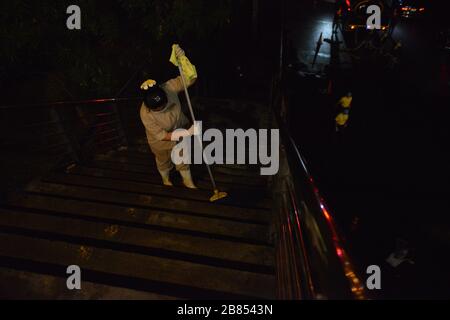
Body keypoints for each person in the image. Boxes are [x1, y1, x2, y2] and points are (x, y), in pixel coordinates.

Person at [139, 44, 197, 189]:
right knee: (164, 161)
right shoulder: (145, 114)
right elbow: (163, 135)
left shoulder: (169, 87)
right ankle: (166, 180)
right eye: (157, 108)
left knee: (183, 158)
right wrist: (188, 132)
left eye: (163, 104)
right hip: (161, 142)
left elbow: (189, 78)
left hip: (180, 128)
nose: (161, 108)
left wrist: (183, 59)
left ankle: (188, 182)